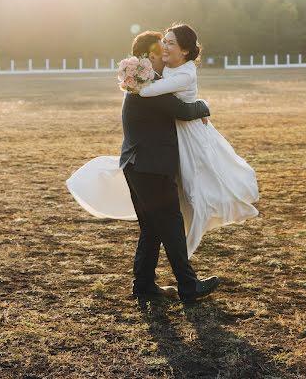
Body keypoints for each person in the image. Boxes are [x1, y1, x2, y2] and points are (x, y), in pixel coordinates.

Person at [67, 30, 220, 302]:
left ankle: (144, 285)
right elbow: (184, 111)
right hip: (151, 167)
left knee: (151, 227)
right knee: (170, 225)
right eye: (161, 48)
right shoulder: (150, 86)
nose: (165, 53)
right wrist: (205, 106)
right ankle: (188, 285)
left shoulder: (140, 85)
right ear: (149, 56)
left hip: (137, 164)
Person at [138, 24, 259, 259]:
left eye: (171, 43)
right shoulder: (172, 66)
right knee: (181, 189)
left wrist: (136, 76)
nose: (165, 46)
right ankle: (177, 239)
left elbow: (146, 92)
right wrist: (201, 104)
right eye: (165, 40)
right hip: (174, 132)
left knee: (195, 189)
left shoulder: (185, 72)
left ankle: (188, 235)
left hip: (188, 134)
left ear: (184, 51)